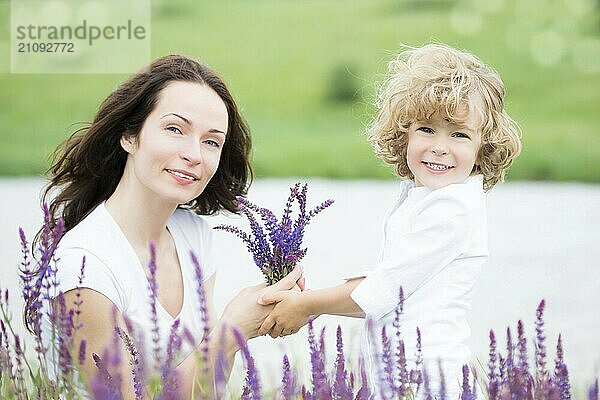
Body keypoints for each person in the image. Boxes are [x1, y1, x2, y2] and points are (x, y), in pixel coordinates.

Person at [29, 54, 303, 398]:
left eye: (211, 141)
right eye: (175, 129)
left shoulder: (193, 236)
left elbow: (205, 388)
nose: (195, 154)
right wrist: (232, 330)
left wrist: (259, 307)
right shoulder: (86, 267)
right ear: (130, 135)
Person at [257, 43, 522, 398]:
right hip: (403, 381)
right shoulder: (426, 196)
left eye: (459, 134)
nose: (440, 147)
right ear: (404, 134)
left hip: (430, 384)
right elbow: (392, 285)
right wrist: (315, 302)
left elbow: (384, 292)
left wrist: (307, 305)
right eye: (426, 129)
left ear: (482, 148)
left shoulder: (452, 209)